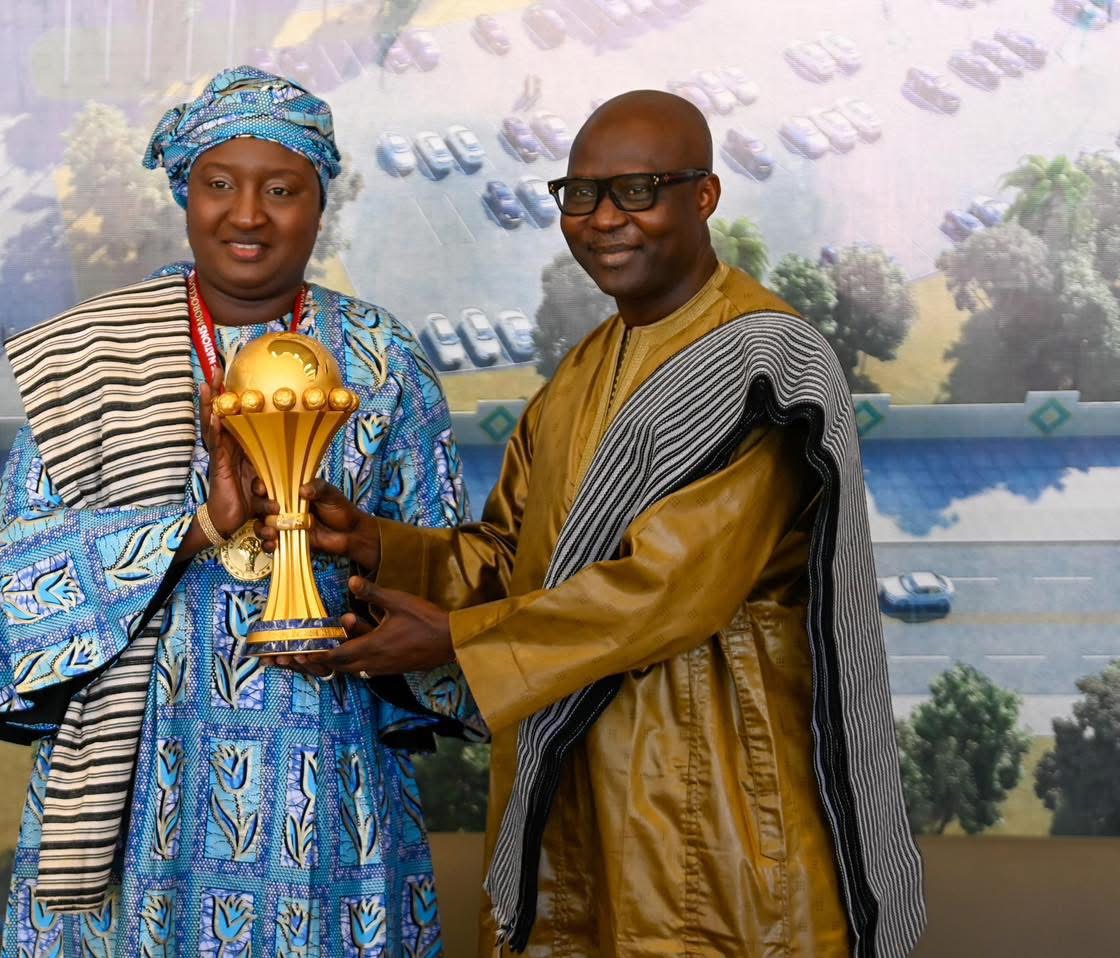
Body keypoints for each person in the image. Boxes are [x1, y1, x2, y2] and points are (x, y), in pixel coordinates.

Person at [267, 90, 926, 956]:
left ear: (704, 195)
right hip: (571, 784)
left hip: (709, 792)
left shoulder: (764, 364)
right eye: (580, 195)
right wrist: (380, 544)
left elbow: (668, 591)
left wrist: (456, 641)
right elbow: (515, 555)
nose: (604, 219)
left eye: (637, 190)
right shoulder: (583, 369)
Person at [0, 66, 482, 957]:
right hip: (140, 771)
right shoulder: (93, 355)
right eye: (219, 184)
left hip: (325, 760)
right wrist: (198, 528)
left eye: (281, 190)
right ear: (185, 194)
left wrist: (369, 550)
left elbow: (452, 573)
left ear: (319, 205)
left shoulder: (383, 359)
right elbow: (15, 588)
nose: (247, 215)